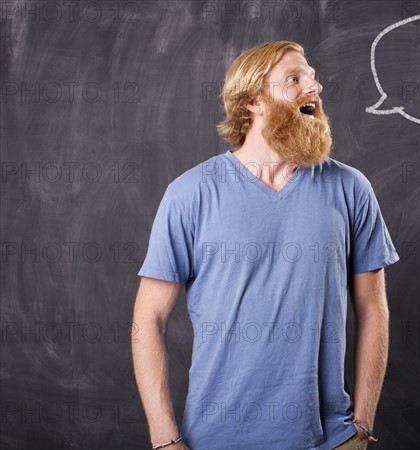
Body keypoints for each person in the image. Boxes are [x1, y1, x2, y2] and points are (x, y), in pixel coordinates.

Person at [132, 41, 399, 450]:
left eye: (311, 75)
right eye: (295, 78)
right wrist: (164, 441)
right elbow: (148, 319)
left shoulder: (350, 189)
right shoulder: (190, 194)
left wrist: (361, 428)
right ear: (253, 101)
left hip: (329, 439)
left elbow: (372, 310)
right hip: (215, 440)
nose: (315, 85)